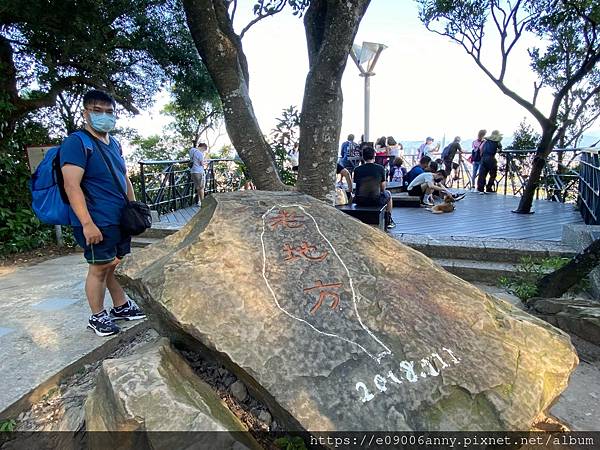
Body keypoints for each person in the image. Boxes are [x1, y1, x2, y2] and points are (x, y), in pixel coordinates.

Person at [60, 89, 145, 337]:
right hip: (97, 219)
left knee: (115, 265)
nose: (104, 116)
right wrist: (87, 223)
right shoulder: (77, 143)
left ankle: (120, 307)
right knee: (99, 267)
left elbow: (124, 176)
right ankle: (97, 316)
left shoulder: (114, 143)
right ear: (85, 113)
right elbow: (71, 185)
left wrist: (134, 207)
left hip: (119, 218)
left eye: (109, 112)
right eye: (97, 111)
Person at [352, 146, 396, 229]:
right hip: (375, 200)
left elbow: (356, 185)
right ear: (374, 156)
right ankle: (388, 220)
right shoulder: (380, 168)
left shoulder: (357, 169)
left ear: (363, 157)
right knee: (388, 194)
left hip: (359, 200)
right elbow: (383, 188)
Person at [477, 130, 503, 194]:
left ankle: (480, 188)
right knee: (493, 174)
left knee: (482, 174)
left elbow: (481, 149)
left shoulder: (486, 141)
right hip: (491, 158)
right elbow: (500, 150)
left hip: (483, 158)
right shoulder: (497, 142)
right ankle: (489, 188)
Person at [189, 142, 207, 207]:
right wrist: (205, 163)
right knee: (201, 188)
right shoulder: (200, 153)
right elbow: (201, 164)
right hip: (199, 172)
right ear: (203, 147)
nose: (204, 151)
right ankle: (203, 203)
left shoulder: (192, 150)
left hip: (193, 172)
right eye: (204, 150)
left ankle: (199, 202)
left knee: (197, 187)